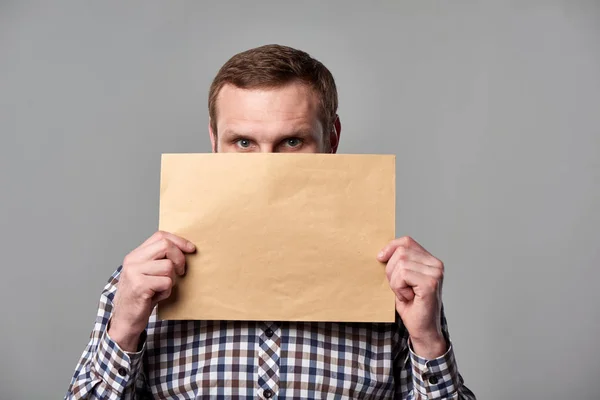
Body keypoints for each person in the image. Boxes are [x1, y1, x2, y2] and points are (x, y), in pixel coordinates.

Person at [66, 44, 476, 399]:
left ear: (331, 139)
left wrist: (428, 340)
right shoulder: (142, 282)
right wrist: (123, 329)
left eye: (292, 142)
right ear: (214, 142)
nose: (266, 167)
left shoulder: (394, 285)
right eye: (243, 142)